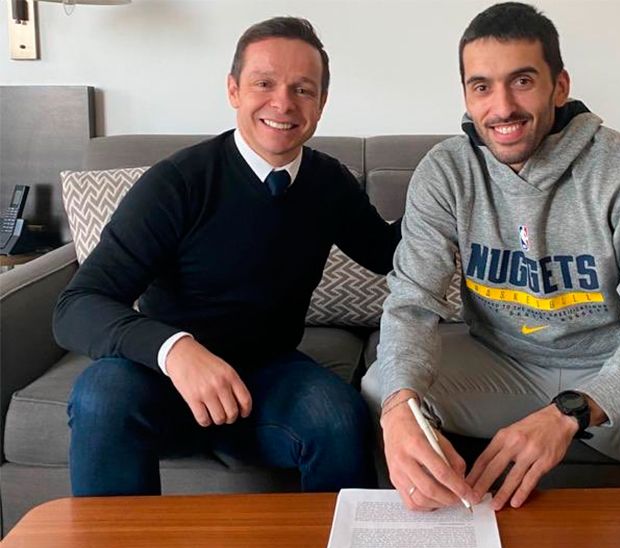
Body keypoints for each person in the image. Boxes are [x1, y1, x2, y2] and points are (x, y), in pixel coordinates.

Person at [362, 1, 620, 512]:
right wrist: (401, 407)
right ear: (466, 95)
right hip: (500, 363)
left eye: (522, 81)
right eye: (482, 86)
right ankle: (449, 541)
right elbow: (411, 303)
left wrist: (567, 413)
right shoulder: (446, 172)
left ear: (559, 86)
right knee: (384, 387)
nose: (502, 107)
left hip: (610, 366)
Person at [54, 17, 401, 496]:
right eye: (264, 83)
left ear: (321, 103)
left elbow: (389, 253)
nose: (283, 103)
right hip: (165, 378)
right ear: (234, 89)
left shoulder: (329, 183)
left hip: (269, 376)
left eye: (303, 89)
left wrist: (457, 189)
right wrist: (176, 350)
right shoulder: (177, 183)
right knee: (100, 394)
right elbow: (76, 306)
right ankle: (115, 547)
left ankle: (344, 544)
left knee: (338, 415)